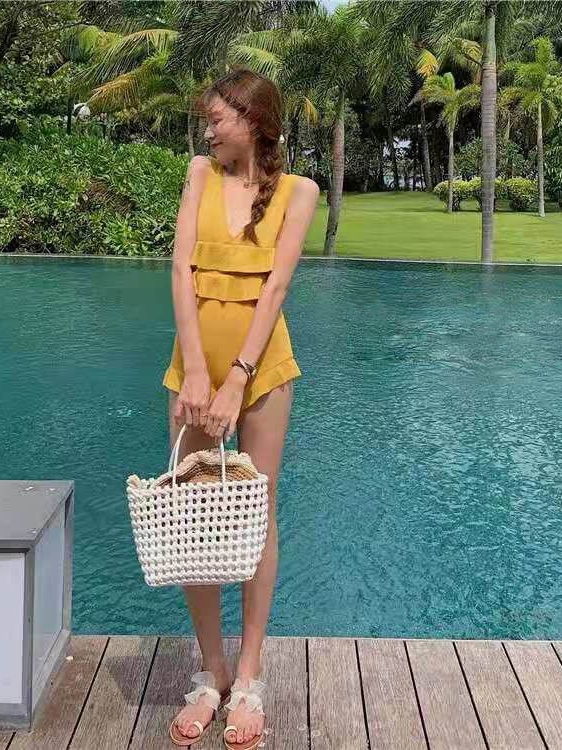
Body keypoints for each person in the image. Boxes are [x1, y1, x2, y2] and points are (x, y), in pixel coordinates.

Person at [162, 67, 319, 749]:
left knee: (258, 515)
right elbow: (180, 270)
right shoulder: (198, 175)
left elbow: (276, 287)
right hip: (193, 373)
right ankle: (212, 671)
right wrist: (198, 372)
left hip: (262, 372)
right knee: (192, 516)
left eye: (217, 119)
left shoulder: (299, 191)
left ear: (252, 121)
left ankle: (249, 674)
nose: (207, 131)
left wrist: (238, 379)